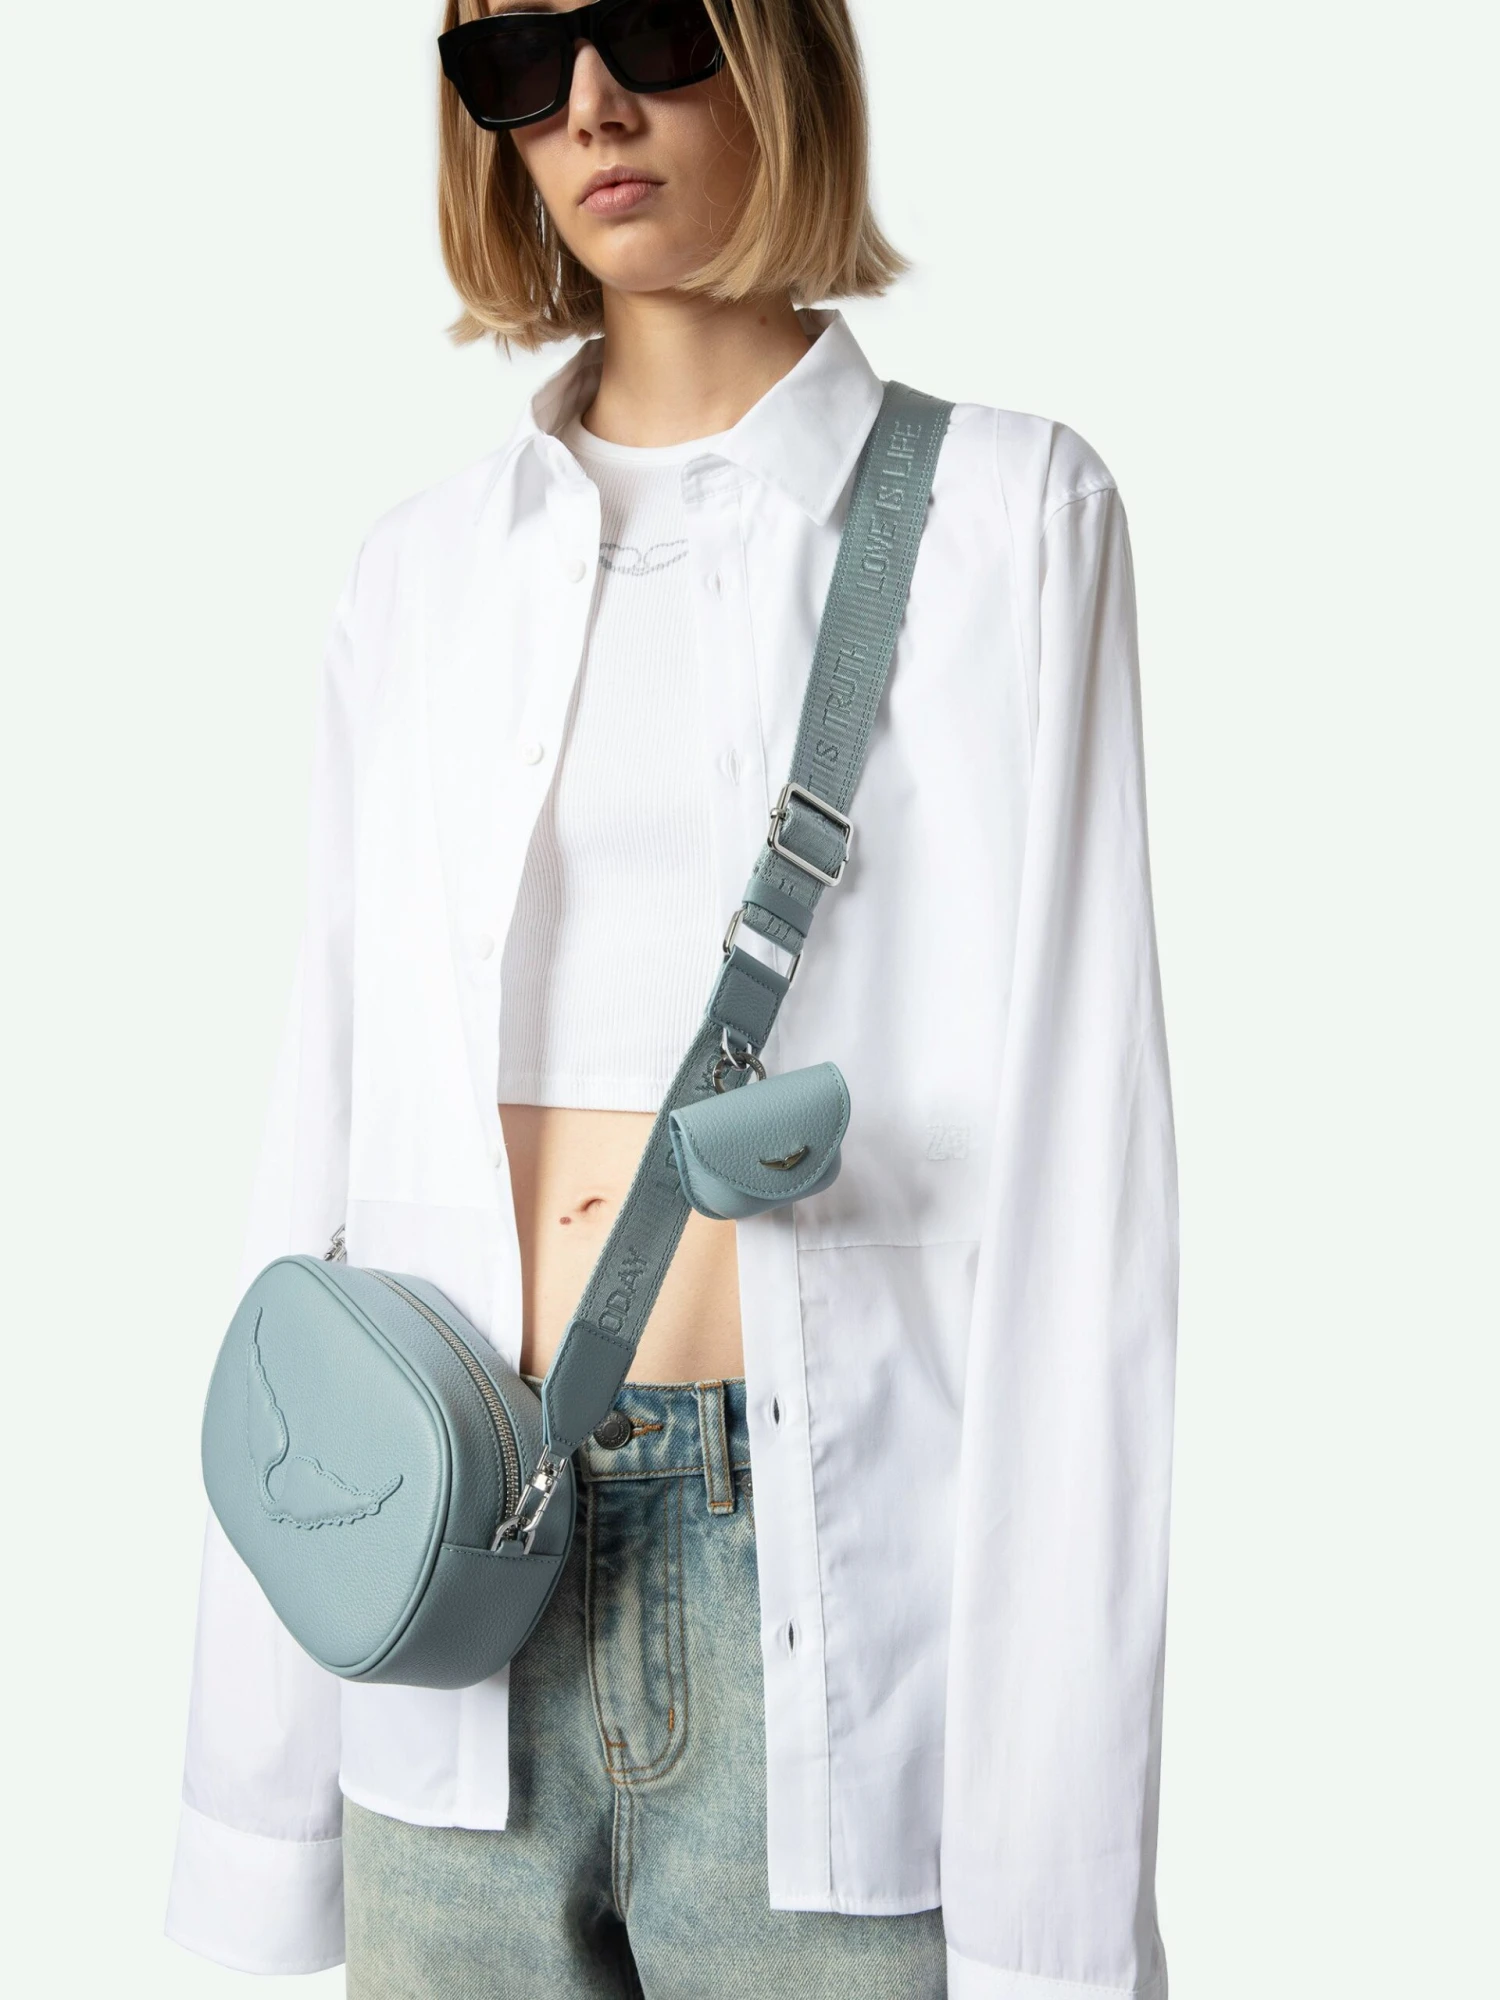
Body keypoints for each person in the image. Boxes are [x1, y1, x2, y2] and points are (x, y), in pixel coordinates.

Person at [165, 2, 1179, 1995]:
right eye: (515, 64)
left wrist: (1056, 1891)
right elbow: (321, 1137)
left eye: (641, 25)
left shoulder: (1009, 525)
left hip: (834, 1613)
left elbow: (1090, 1206)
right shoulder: (418, 576)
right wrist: (257, 1799)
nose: (589, 107)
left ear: (776, 44)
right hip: (439, 1575)